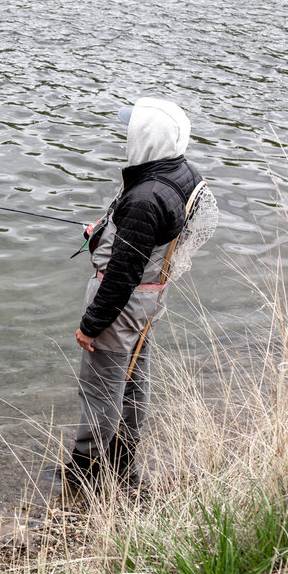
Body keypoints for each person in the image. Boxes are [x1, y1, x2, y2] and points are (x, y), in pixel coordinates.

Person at [67, 97, 204, 490]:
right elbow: (149, 241)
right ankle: (123, 465)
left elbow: (123, 273)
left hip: (122, 302)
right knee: (133, 378)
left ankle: (86, 475)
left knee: (100, 387)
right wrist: (108, 232)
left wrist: (90, 325)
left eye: (133, 129)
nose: (127, 134)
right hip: (150, 296)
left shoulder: (146, 198)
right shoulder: (181, 173)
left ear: (147, 136)